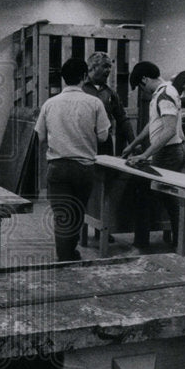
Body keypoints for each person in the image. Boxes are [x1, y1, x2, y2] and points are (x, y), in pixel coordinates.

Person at [36, 58, 111, 261]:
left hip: (57, 166)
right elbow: (103, 136)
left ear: (63, 78)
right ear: (85, 76)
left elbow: (40, 137)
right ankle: (69, 255)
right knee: (77, 215)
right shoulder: (94, 103)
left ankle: (65, 257)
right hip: (84, 168)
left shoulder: (49, 104)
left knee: (62, 217)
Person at [122, 61, 185, 249]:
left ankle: (153, 243)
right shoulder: (161, 94)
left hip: (169, 153)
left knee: (152, 196)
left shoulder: (165, 94)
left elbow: (168, 130)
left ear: (145, 79)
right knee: (164, 197)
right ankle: (177, 241)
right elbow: (153, 125)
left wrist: (145, 155)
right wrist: (133, 145)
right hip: (165, 152)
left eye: (141, 88)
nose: (143, 93)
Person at [82, 51, 135, 156]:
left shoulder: (111, 93)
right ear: (92, 68)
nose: (109, 70)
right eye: (105, 66)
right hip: (84, 142)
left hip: (105, 144)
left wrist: (133, 143)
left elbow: (123, 119)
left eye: (110, 67)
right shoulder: (80, 90)